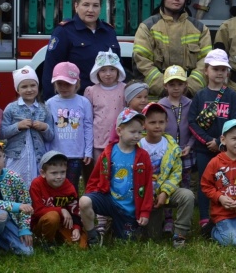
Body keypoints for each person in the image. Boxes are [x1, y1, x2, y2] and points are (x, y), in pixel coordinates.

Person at [133, 0, 211, 98]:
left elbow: (206, 62)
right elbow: (141, 61)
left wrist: (189, 88)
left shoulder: (200, 29)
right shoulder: (147, 27)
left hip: (190, 97)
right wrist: (164, 88)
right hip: (157, 97)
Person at [80, 109, 153, 245]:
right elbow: (95, 178)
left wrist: (144, 212)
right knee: (84, 201)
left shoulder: (143, 156)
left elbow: (148, 186)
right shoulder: (108, 153)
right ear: (119, 131)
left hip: (128, 209)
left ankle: (114, 228)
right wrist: (91, 196)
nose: (137, 136)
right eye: (133, 132)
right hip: (109, 200)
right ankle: (92, 236)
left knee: (127, 243)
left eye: (140, 132)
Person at [188, 49, 236, 228]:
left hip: (224, 150)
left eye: (223, 69)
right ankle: (204, 218)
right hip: (204, 149)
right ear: (206, 70)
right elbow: (191, 122)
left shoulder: (232, 95)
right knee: (205, 183)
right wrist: (207, 141)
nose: (219, 73)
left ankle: (222, 216)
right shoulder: (200, 95)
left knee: (225, 182)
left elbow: (234, 122)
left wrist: (220, 142)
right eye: (215, 68)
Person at [43, 0, 120, 99]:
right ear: (76, 6)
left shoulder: (109, 31)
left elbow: (118, 67)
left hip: (106, 101)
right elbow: (51, 70)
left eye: (95, 5)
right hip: (75, 100)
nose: (91, 10)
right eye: (86, 5)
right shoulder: (64, 32)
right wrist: (51, 102)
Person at [139, 102, 194, 247]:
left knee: (187, 195)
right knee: (153, 237)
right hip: (144, 194)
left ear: (166, 122)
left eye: (161, 122)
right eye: (152, 122)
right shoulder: (137, 146)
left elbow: (176, 174)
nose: (157, 126)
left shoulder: (172, 147)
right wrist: (147, 194)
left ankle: (180, 233)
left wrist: (164, 192)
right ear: (144, 124)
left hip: (165, 191)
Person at [1, 66, 53, 189]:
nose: (29, 89)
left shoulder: (44, 108)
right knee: (14, 182)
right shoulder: (11, 108)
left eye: (32, 85)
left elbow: (51, 135)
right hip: (16, 156)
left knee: (35, 184)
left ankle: (33, 206)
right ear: (17, 89)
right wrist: (18, 126)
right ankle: (16, 206)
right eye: (24, 86)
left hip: (37, 156)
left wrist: (44, 127)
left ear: (38, 86)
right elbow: (2, 133)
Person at [45, 62, 93, 195]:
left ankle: (73, 212)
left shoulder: (83, 102)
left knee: (72, 186)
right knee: (55, 185)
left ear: (77, 83)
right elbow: (48, 130)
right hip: (56, 154)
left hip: (76, 154)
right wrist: (47, 151)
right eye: (60, 83)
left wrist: (88, 151)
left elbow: (88, 127)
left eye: (68, 84)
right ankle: (57, 211)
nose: (64, 87)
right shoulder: (50, 103)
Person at [29, 150, 88, 249]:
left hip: (62, 224)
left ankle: (59, 237)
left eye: (62, 172)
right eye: (54, 173)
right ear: (43, 173)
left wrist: (76, 228)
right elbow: (37, 211)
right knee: (52, 217)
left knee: (82, 245)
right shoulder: (36, 184)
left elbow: (75, 211)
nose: (59, 177)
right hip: (42, 223)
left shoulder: (69, 187)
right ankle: (46, 241)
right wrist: (61, 210)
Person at [84, 50, 126, 186]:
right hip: (99, 141)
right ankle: (100, 196)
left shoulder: (124, 89)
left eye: (112, 69)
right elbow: (88, 118)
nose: (108, 74)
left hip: (120, 140)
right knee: (100, 171)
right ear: (97, 72)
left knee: (119, 171)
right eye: (103, 70)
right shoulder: (91, 91)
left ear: (118, 71)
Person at [159, 66, 194, 188]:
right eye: (172, 84)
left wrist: (189, 145)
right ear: (165, 86)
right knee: (167, 179)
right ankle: (167, 205)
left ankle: (185, 203)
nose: (176, 87)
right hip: (167, 151)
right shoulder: (160, 106)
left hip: (186, 150)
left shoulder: (190, 104)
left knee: (185, 181)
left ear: (185, 85)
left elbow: (194, 128)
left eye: (180, 84)